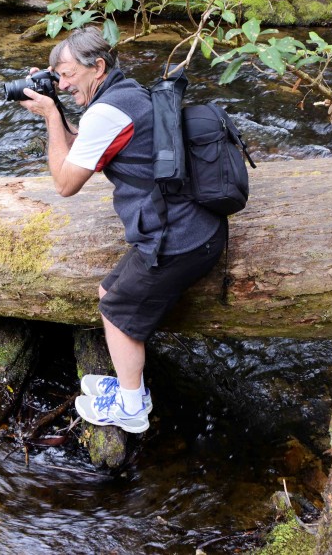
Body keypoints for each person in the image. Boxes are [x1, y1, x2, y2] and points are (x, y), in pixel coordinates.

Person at [18, 26, 226, 433]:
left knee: (115, 312)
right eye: (55, 77)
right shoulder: (125, 92)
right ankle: (132, 385)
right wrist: (57, 111)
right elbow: (88, 147)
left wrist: (48, 118)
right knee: (109, 292)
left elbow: (64, 184)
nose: (61, 85)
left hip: (178, 240)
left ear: (96, 67)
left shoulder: (105, 111)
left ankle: (132, 410)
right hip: (192, 224)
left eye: (66, 75)